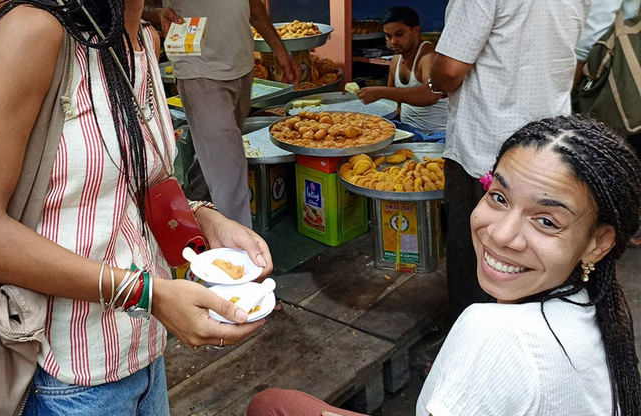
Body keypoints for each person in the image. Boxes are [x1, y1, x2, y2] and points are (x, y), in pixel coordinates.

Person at [0, 0, 273, 414]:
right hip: (64, 375)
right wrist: (148, 295)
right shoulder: (33, 35)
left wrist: (207, 220)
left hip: (142, 354)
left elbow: (141, 182)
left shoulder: (141, 39)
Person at [247, 115, 641, 416]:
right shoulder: (597, 306)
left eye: (546, 221)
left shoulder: (491, 335)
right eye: (500, 198)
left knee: (272, 407)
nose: (502, 235)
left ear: (599, 242)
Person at [427, 0, 591, 322]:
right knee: (535, 259)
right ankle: (529, 339)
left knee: (480, 264)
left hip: (488, 154)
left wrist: (432, 78)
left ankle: (471, 354)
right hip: (551, 154)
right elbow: (574, 63)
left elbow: (449, 71)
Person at [145, 0, 300, 228]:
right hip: (198, 65)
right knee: (229, 165)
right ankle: (242, 263)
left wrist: (278, 48)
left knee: (215, 151)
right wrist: (154, 14)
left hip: (240, 61)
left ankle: (186, 215)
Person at [357, 7, 447, 136]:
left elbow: (430, 95)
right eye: (388, 36)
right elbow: (391, 102)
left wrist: (380, 92)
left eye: (399, 34)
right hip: (407, 132)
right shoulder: (396, 59)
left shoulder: (428, 56)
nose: (393, 42)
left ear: (415, 31)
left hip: (436, 134)